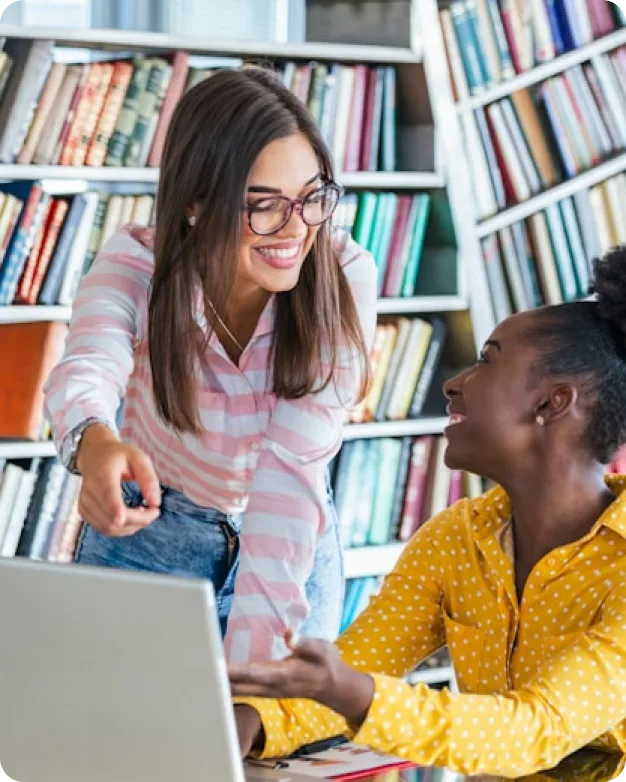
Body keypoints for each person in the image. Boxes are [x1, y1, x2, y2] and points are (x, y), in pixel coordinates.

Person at [229, 244, 626, 778]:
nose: (452, 383)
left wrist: (352, 692)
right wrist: (247, 722)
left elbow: (533, 730)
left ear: (552, 403)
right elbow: (354, 668)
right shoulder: (456, 540)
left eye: (487, 359)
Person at [43, 67, 376, 663]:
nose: (295, 229)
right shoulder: (139, 263)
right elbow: (89, 363)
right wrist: (93, 445)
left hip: (294, 542)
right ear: (196, 203)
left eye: (311, 198)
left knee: (272, 746)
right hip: (150, 541)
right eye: (263, 206)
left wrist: (253, 675)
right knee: (115, 746)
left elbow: (289, 475)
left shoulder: (345, 277)